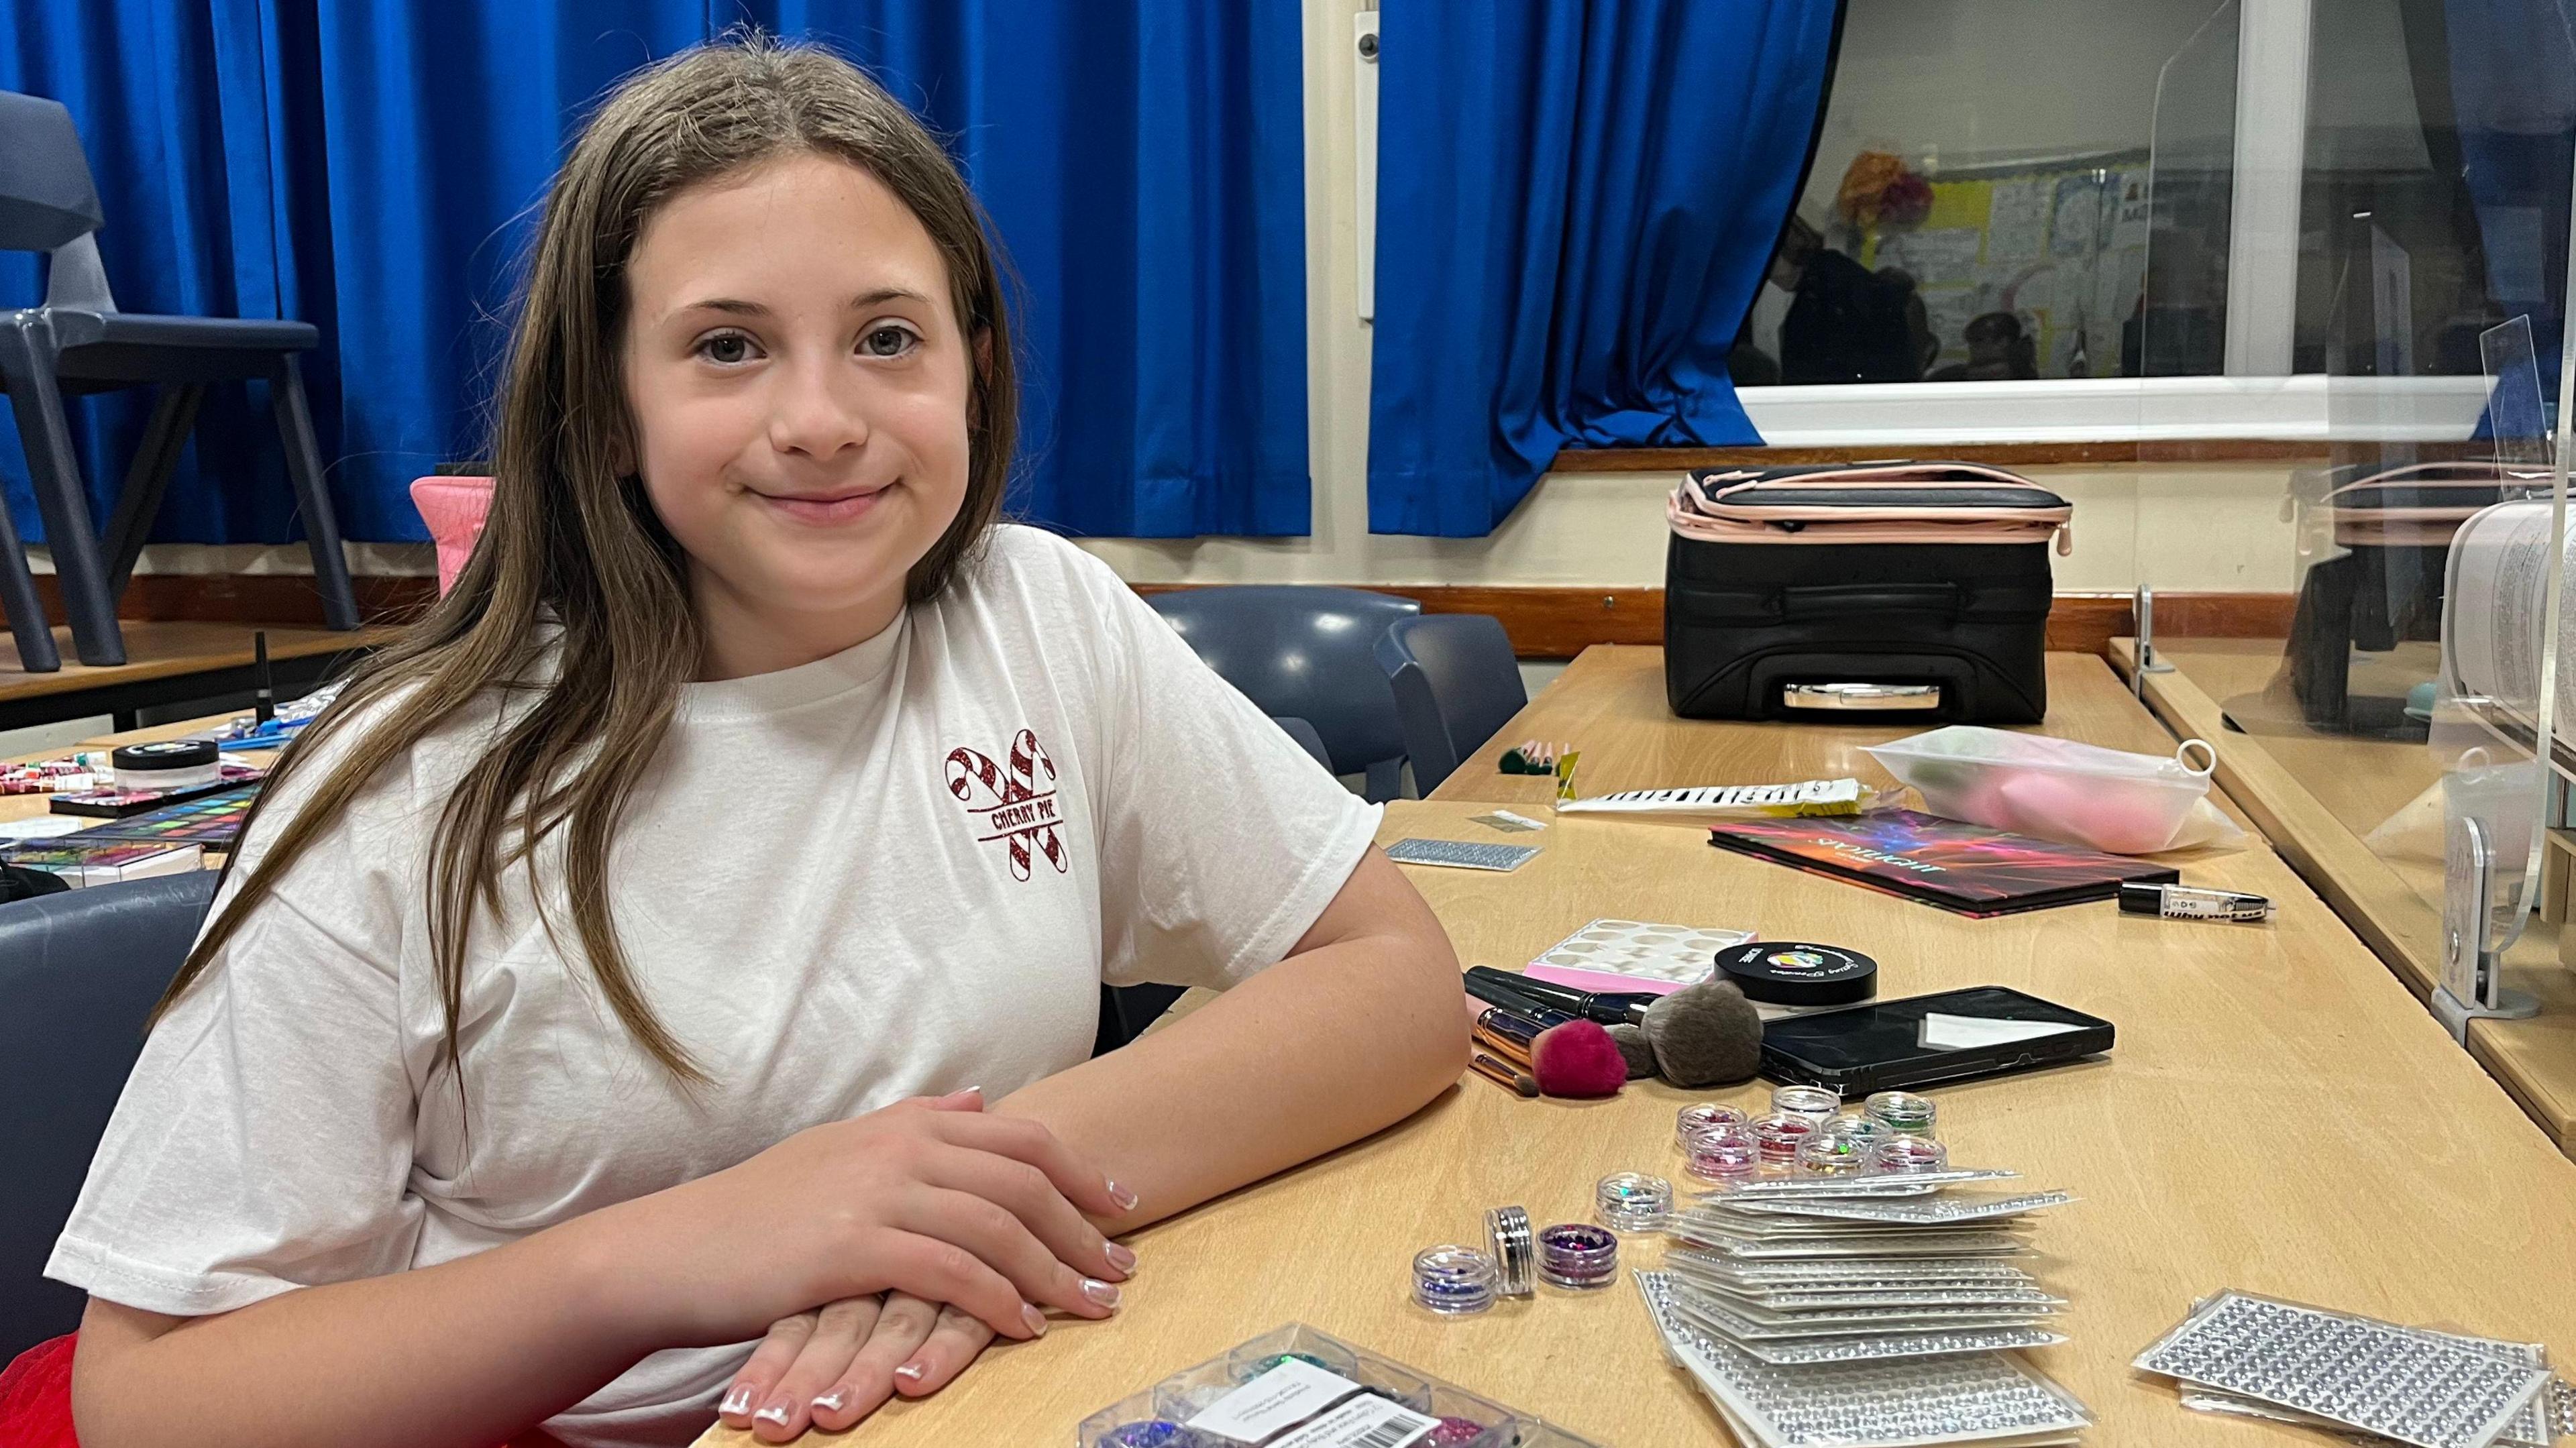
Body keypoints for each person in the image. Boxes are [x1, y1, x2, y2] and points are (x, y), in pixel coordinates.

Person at [44, 36, 1468, 1448]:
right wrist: (679, 1253)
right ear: (607, 406)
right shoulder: (415, 782)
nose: (821, 420)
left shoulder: (1039, 611)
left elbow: (1396, 981)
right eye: (728, 347)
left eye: (887, 338)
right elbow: (150, 1398)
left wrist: (947, 1209)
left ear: (972, 366)